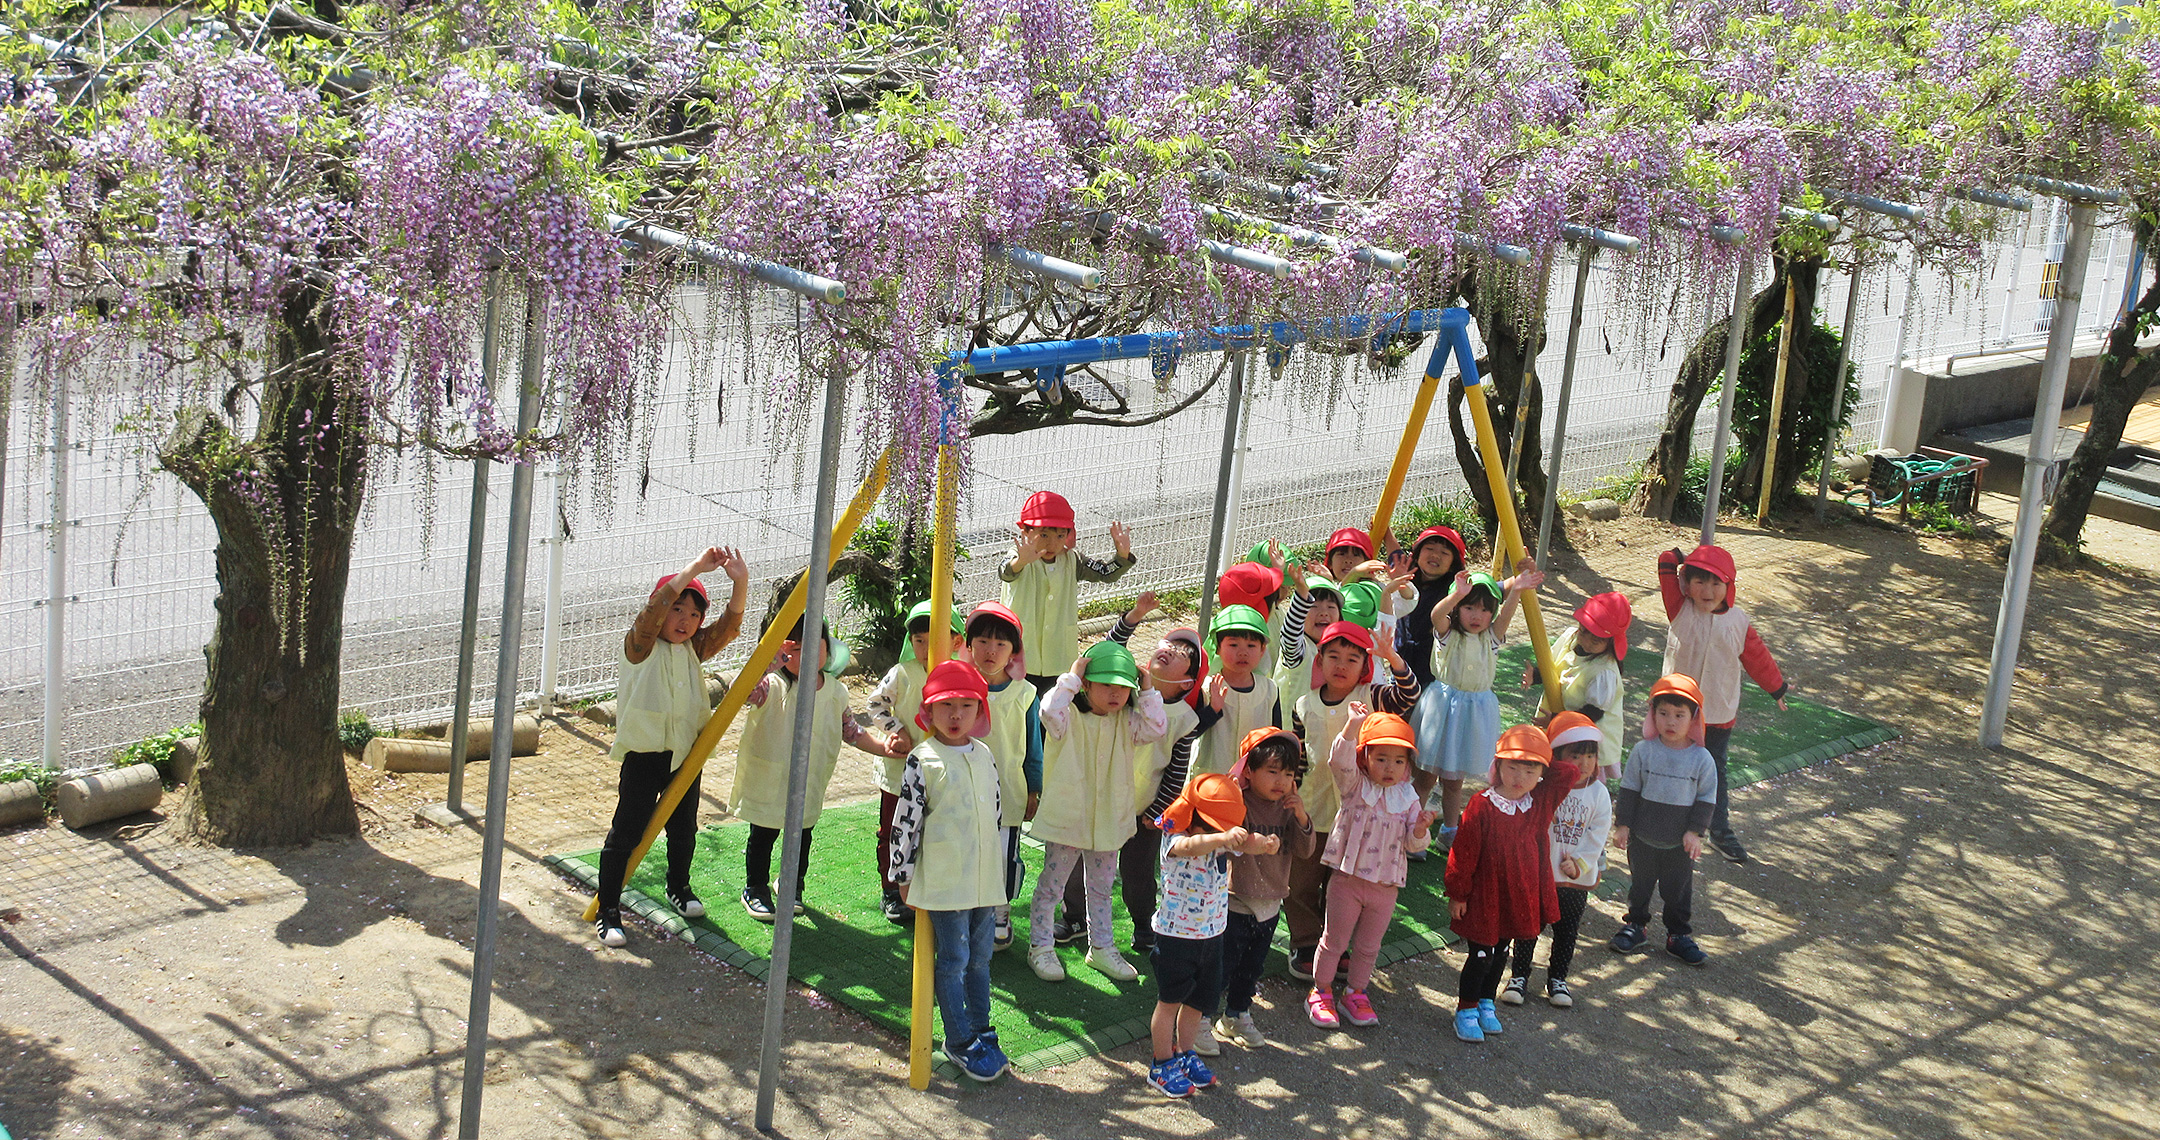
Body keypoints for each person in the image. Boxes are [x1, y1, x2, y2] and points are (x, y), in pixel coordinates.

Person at [593, 547, 749, 948]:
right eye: (677, 610)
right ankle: (609, 907)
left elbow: (728, 628)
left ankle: (679, 886)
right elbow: (652, 611)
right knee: (627, 831)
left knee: (683, 829)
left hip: (686, 754)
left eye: (694, 614)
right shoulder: (640, 646)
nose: (685, 621)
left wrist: (740, 583)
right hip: (645, 755)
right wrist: (697, 568)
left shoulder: (693, 649)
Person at [1061, 593, 1213, 962]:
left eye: (1183, 653)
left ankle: (1144, 924)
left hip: (1143, 811)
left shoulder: (1184, 720)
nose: (1171, 650)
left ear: (1187, 683)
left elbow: (1176, 771)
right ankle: (1074, 918)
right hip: (1099, 798)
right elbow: (1106, 653)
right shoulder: (1125, 692)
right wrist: (1135, 616)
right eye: (1168, 644)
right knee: (1076, 861)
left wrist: (1157, 812)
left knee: (1138, 873)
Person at [888, 660, 1011, 1082]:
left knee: (980, 958)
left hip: (981, 879)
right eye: (945, 706)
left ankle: (980, 1027)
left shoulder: (984, 755)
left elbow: (993, 816)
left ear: (979, 710)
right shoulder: (924, 759)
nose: (955, 715)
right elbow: (906, 821)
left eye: (965, 705)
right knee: (955, 959)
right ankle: (958, 1039)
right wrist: (900, 874)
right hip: (945, 879)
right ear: (928, 710)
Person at [1283, 620, 1419, 982]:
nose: (1341, 665)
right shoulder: (1303, 703)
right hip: (1313, 807)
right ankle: (1306, 943)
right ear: (1319, 660)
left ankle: (1335, 946)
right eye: (1333, 656)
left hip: (1359, 813)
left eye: (1352, 658)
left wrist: (1393, 657)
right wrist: (1291, 793)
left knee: (1340, 885)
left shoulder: (1371, 696)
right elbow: (1299, 755)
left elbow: (1408, 695)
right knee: (1300, 882)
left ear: (1364, 666)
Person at [1027, 640, 1167, 983]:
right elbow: (1047, 710)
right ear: (1086, 685)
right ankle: (1040, 947)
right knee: (1052, 885)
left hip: (1108, 819)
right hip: (1068, 817)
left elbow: (1157, 727)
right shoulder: (1066, 717)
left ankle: (1102, 947)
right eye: (1106, 684)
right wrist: (1071, 678)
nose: (1116, 694)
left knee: (1103, 887)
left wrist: (1147, 690)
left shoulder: (1129, 720)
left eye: (1123, 687)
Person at [1444, 723, 1580, 1042]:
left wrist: (1539, 745)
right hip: (1484, 895)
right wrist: (1458, 893)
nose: (1520, 777)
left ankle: (1486, 1004)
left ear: (1542, 774)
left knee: (1502, 952)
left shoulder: (1539, 802)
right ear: (1498, 766)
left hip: (1518, 895)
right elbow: (1462, 854)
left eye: (1530, 770)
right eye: (1512, 766)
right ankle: (1466, 1009)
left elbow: (1569, 772)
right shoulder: (1482, 804)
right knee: (1481, 955)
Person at [1145, 773, 1276, 1098]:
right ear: (1193, 816)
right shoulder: (1175, 836)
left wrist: (1263, 844)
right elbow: (1191, 845)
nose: (1223, 835)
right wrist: (1221, 837)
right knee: (1170, 1002)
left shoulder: (1219, 837)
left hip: (1212, 936)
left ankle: (1185, 1053)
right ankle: (1161, 1064)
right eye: (1217, 827)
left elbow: (1244, 841)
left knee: (1198, 1003)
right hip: (1176, 938)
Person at [1304, 707, 1437, 1029]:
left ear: (1407, 766)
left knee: (1368, 946)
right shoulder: (1354, 786)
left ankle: (1355, 993)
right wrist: (1353, 725)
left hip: (1385, 886)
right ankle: (1319, 991)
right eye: (1381, 758)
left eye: (1398, 760)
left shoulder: (1408, 797)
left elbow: (1413, 843)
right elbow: (1338, 760)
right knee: (1334, 941)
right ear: (1364, 758)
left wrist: (1419, 829)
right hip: (1347, 880)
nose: (1389, 767)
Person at [1657, 544, 1789, 864]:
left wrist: (1777, 688)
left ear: (1729, 588)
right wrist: (1686, 556)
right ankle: (1662, 823)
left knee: (1714, 771)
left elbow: (1757, 657)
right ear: (1686, 583)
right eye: (1699, 581)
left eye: (1717, 582)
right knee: (1668, 764)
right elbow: (1665, 562)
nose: (1707, 590)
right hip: (1677, 711)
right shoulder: (1679, 607)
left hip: (1717, 712)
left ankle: (1718, 828)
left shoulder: (1738, 621)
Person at [734, 612, 868, 922]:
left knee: (801, 836)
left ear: (828, 649)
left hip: (808, 781)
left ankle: (792, 885)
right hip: (771, 780)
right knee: (764, 834)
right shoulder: (771, 685)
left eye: (814, 646)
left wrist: (884, 749)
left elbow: (852, 731)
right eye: (794, 650)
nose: (805, 655)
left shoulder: (834, 690)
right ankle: (755, 887)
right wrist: (770, 662)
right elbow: (741, 691)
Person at [1422, 560, 1544, 852]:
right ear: (1458, 607)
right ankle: (1410, 827)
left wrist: (1517, 590)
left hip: (1473, 712)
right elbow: (1435, 614)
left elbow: (1507, 615)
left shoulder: (1491, 638)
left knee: (1454, 779)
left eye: (1485, 609)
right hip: (1442, 707)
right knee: (1425, 775)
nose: (1478, 615)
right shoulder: (1448, 634)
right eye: (1469, 607)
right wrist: (1455, 595)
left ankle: (1449, 831)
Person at [865, 600, 966, 925]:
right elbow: (875, 703)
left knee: (932, 831)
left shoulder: (959, 674)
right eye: (919, 640)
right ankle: (892, 890)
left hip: (940, 775)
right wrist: (895, 730)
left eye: (933, 639)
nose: (925, 647)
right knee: (894, 831)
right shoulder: (903, 673)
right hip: (899, 772)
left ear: (956, 641)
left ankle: (928, 886)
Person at [1501, 711, 1610, 1008]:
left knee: (1566, 930)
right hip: (1539, 872)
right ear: (1557, 755)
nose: (1584, 763)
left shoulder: (1599, 793)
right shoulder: (1543, 788)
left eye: (1590, 756)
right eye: (1575, 756)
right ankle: (1519, 975)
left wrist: (1580, 864)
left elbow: (1598, 835)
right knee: (1528, 924)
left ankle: (1558, 978)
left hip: (1575, 880)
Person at [1610, 674, 1719, 966]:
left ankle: (1678, 935)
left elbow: (1707, 798)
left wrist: (1695, 832)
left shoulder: (1702, 759)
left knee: (1678, 890)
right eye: (1663, 714)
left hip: (1679, 844)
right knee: (1640, 885)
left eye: (1679, 715)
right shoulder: (1643, 751)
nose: (1671, 722)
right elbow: (1630, 789)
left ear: (1693, 718)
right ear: (1652, 715)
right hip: (1643, 838)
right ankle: (1636, 925)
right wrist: (1623, 824)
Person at [1214, 728, 1314, 1049]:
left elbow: (1305, 850)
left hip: (1271, 902)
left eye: (1287, 774)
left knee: (1252, 967)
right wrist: (1255, 842)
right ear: (1249, 770)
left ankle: (1237, 1014)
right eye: (1272, 771)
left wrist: (1300, 815)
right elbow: (1228, 844)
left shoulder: (1288, 807)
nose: (1280, 781)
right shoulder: (1238, 802)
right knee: (1223, 965)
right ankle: (1200, 1017)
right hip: (1236, 899)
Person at [962, 601, 1042, 951]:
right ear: (968, 645)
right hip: (963, 790)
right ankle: (963, 911)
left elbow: (1033, 746)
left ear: (1013, 651)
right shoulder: (959, 685)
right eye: (982, 641)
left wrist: (1034, 788)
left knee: (1004, 856)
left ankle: (1000, 911)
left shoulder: (1023, 694)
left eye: (1000, 644)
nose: (990, 651)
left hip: (1008, 791)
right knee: (964, 851)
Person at [999, 491, 1135, 692]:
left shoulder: (1073, 560)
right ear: (1025, 532)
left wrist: (1122, 556)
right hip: (1019, 654)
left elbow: (1105, 573)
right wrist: (1021, 561)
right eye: (1044, 534)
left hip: (1058, 657)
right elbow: (1006, 572)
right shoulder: (1019, 556)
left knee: (1054, 709)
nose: (1052, 543)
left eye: (1060, 535)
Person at [1526, 593, 1634, 781]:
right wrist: (1534, 676)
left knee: (1580, 782)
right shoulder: (1570, 637)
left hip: (1586, 741)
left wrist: (1556, 720)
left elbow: (1593, 713)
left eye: (1596, 640)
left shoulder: (1604, 671)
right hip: (1562, 724)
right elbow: (1553, 666)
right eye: (1584, 631)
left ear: (1610, 642)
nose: (1586, 641)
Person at [1193, 603, 1281, 779]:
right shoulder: (1207, 688)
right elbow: (1190, 732)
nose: (1242, 653)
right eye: (1233, 645)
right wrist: (1213, 710)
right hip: (1211, 782)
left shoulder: (1270, 690)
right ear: (1217, 648)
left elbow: (1276, 737)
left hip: (1254, 784)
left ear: (1263, 649)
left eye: (1251, 646)